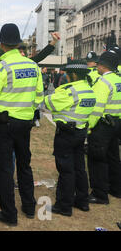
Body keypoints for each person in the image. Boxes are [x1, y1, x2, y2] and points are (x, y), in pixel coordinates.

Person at [0, 23, 43, 226]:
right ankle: (29, 207)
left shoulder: (2, 66)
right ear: (18, 44)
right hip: (25, 123)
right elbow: (39, 97)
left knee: (5, 168)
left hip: (5, 124)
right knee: (24, 165)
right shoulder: (32, 66)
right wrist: (26, 112)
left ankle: (9, 213)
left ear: (1, 45)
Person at [44, 60, 96, 216]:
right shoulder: (89, 90)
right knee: (80, 168)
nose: (65, 77)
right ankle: (82, 201)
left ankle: (64, 206)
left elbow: (49, 103)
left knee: (66, 170)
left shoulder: (69, 91)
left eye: (67, 74)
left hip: (66, 134)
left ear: (73, 74)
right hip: (81, 132)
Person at [87, 50, 121, 204]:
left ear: (103, 66)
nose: (97, 67)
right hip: (116, 123)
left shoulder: (103, 83)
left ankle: (100, 194)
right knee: (113, 157)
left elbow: (96, 109)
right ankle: (116, 188)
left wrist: (89, 127)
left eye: (98, 64)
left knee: (97, 158)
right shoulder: (118, 80)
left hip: (102, 126)